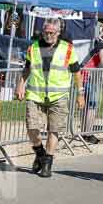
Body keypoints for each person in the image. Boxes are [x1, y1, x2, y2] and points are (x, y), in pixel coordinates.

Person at [15, 18, 82, 178]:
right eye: (46, 32)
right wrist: (20, 85)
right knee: (32, 128)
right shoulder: (34, 47)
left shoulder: (68, 49)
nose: (49, 35)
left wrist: (80, 93)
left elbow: (76, 73)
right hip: (36, 94)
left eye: (52, 33)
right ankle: (40, 153)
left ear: (58, 33)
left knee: (54, 129)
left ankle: (47, 164)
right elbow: (27, 69)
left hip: (59, 96)